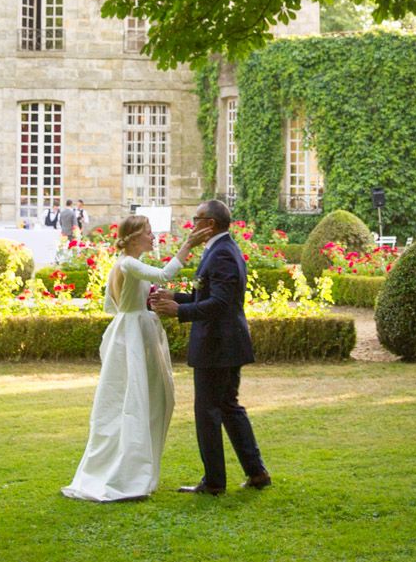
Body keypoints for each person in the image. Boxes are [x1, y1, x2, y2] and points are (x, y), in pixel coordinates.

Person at [62, 214, 213, 502]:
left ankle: (135, 467)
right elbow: (163, 275)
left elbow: (114, 304)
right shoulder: (127, 262)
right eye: (147, 233)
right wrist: (187, 246)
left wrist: (145, 303)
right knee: (134, 398)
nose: (153, 237)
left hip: (134, 329)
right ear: (133, 238)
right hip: (133, 334)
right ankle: (126, 472)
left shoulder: (124, 265)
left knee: (147, 398)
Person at [149, 199, 271, 495]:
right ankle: (257, 473)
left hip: (218, 346)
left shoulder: (223, 254)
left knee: (208, 412)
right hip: (224, 344)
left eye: (196, 218)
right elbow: (206, 294)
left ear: (210, 224)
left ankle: (214, 482)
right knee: (229, 407)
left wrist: (179, 312)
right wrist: (177, 297)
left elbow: (220, 304)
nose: (193, 224)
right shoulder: (220, 250)